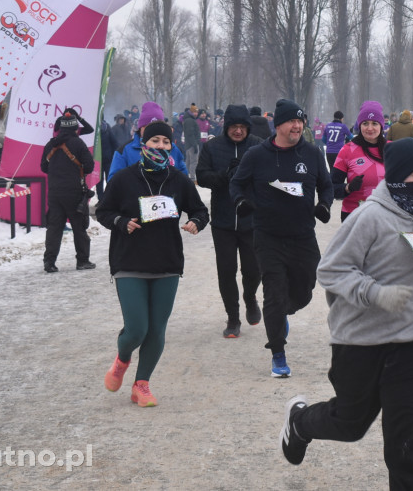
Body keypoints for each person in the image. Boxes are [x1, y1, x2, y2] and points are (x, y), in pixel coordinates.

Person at [279, 139, 413, 490]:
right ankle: (300, 422)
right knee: (350, 424)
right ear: (395, 176)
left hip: (412, 341)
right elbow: (330, 270)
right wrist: (375, 293)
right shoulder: (369, 218)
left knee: (407, 441)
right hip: (360, 339)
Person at [96, 120, 209, 407]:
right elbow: (103, 210)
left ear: (172, 146)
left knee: (157, 329)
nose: (160, 146)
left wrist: (196, 221)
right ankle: (122, 360)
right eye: (155, 140)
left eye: (165, 142)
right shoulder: (123, 179)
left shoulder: (178, 180)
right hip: (129, 261)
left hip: (166, 263)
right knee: (137, 329)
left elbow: (199, 209)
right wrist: (121, 222)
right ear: (143, 144)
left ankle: (141, 384)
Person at [230, 98, 334, 377]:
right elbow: (236, 183)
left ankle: (284, 312)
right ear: (279, 125)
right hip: (268, 236)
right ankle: (278, 353)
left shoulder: (312, 153)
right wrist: (241, 200)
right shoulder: (256, 155)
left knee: (305, 289)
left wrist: (324, 205)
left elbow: (326, 185)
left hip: (303, 236)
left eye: (301, 121)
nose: (298, 125)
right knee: (273, 295)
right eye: (292, 121)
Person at [196, 104, 265, 338]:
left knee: (253, 269)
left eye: (242, 126)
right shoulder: (213, 147)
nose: (238, 131)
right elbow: (201, 176)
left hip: (251, 219)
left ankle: (250, 297)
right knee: (226, 271)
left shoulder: (257, 145)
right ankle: (233, 318)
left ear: (248, 127)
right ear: (226, 127)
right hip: (223, 221)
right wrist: (223, 176)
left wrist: (246, 177)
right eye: (233, 126)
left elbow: (267, 176)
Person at [39, 109, 95, 273]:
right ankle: (82, 261)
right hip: (74, 192)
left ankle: (49, 262)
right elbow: (89, 167)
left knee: (54, 228)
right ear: (74, 127)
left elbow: (43, 167)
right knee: (79, 227)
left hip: (55, 192)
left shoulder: (51, 144)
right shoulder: (78, 143)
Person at [331, 101, 386, 222]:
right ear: (359, 125)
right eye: (365, 123)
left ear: (381, 125)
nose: (369, 128)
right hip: (354, 215)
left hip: (386, 217)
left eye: (374, 123)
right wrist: (348, 188)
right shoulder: (347, 150)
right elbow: (332, 187)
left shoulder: (391, 149)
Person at [108, 102, 187, 181]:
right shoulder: (124, 151)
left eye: (157, 127)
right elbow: (113, 183)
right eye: (147, 127)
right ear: (140, 127)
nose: (152, 131)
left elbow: (184, 179)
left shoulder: (173, 149)